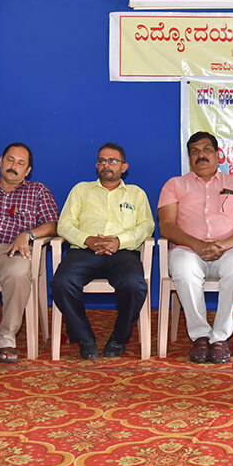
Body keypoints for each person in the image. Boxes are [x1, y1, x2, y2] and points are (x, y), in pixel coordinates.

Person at [158, 132, 233, 364]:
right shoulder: (175, 184)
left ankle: (220, 338)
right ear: (190, 157)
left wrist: (224, 245)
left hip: (227, 250)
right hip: (189, 250)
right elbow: (166, 225)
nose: (201, 155)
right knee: (182, 265)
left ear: (217, 155)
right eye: (195, 151)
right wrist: (197, 245)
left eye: (206, 150)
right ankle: (201, 336)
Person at [50, 143, 154, 359]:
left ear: (124, 167)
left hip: (122, 253)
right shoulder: (81, 190)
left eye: (113, 161)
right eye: (102, 161)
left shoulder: (136, 194)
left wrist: (119, 241)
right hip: (85, 250)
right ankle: (85, 338)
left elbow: (146, 226)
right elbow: (64, 225)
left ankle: (119, 338)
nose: (106, 165)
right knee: (61, 282)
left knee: (135, 285)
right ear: (96, 165)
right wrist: (86, 239)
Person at [0, 142, 58, 362]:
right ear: (0, 162)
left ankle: (6, 338)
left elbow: (53, 224)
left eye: (20, 163)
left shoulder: (37, 191)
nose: (13, 166)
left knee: (18, 272)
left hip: (14, 251)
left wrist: (28, 234)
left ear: (27, 171)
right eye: (10, 159)